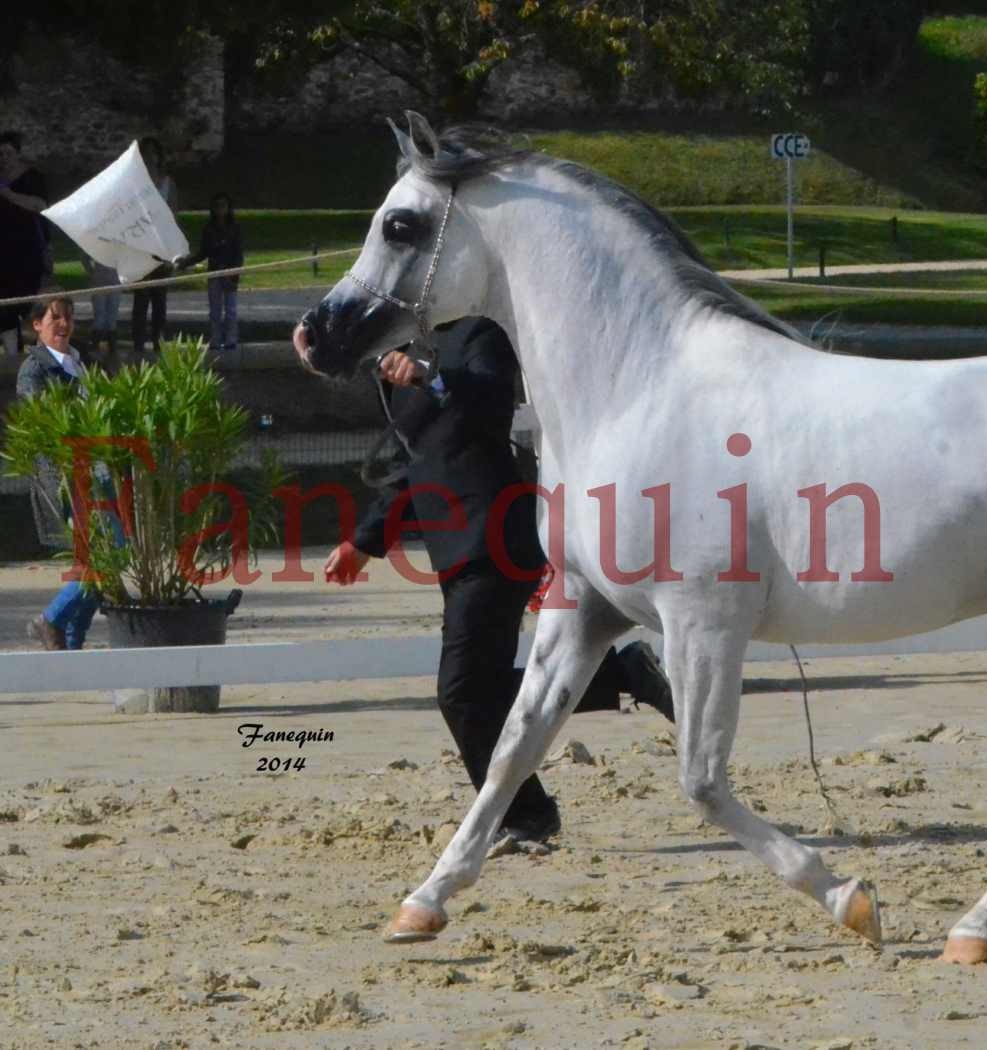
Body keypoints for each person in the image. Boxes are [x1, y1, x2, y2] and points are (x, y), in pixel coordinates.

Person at [322, 317, 674, 851]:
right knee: (477, 693)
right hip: (453, 549)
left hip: (495, 537)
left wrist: (429, 378)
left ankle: (528, 812)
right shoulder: (396, 356)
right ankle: (618, 676)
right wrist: (365, 543)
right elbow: (410, 468)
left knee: (462, 693)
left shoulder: (477, 335)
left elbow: (490, 407)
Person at [17, 297, 102, 651]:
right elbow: (42, 423)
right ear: (37, 324)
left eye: (69, 316)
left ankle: (70, 639)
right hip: (63, 476)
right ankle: (51, 620)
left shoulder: (80, 362)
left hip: (93, 471)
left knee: (99, 562)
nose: (63, 324)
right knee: (100, 563)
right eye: (55, 317)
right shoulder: (33, 370)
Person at [0, 130, 50, 356]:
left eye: (8, 153)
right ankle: (13, 357)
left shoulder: (33, 177)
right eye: (0, 154)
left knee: (27, 304)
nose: (4, 158)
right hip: (3, 253)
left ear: (17, 153)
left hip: (28, 251)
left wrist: (9, 195)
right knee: (5, 307)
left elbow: (40, 205)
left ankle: (39, 356)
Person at [178, 193, 244, 353]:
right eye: (217, 206)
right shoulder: (209, 229)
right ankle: (215, 339)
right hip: (214, 272)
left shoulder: (235, 228)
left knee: (231, 310)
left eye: (223, 206)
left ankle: (231, 340)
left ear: (229, 208)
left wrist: (233, 272)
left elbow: (239, 254)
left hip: (230, 273)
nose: (220, 210)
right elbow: (203, 252)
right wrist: (185, 262)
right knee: (215, 310)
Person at [130, 138, 177, 356]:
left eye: (153, 153)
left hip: (162, 247)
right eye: (145, 154)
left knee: (160, 299)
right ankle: (138, 344)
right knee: (141, 299)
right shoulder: (135, 184)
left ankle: (159, 342)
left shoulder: (168, 183)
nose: (150, 158)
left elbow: (173, 216)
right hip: (141, 246)